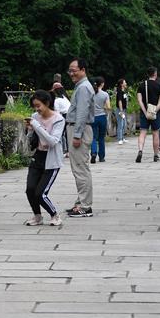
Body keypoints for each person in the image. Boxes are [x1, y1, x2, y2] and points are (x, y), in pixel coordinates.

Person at [24, 90, 65, 226]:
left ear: (47, 103)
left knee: (40, 193)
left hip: (52, 159)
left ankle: (55, 215)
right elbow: (32, 138)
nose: (36, 109)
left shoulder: (59, 119)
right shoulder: (35, 116)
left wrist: (36, 125)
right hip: (38, 156)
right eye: (34, 106)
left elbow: (52, 141)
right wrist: (30, 130)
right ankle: (37, 217)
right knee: (30, 189)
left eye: (38, 105)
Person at [64, 58, 95, 217]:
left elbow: (82, 113)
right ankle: (80, 202)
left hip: (79, 130)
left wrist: (77, 135)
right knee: (79, 168)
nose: (71, 73)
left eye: (74, 70)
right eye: (69, 71)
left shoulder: (83, 88)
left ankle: (85, 206)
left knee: (80, 168)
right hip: (78, 129)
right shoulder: (82, 86)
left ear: (83, 70)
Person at [135, 66, 160, 163]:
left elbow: (139, 100)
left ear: (147, 74)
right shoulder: (159, 85)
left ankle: (140, 150)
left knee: (143, 132)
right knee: (155, 133)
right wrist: (155, 110)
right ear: (155, 74)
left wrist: (145, 111)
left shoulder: (141, 85)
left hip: (144, 113)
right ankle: (156, 155)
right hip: (156, 113)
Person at [90, 77, 110, 164]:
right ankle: (101, 157)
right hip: (102, 117)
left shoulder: (91, 93)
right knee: (101, 137)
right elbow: (108, 107)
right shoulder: (105, 94)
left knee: (93, 137)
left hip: (93, 117)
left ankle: (93, 153)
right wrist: (103, 107)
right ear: (102, 84)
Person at [52, 82, 70, 155]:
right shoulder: (65, 98)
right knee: (68, 134)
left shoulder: (57, 100)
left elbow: (57, 112)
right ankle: (68, 151)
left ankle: (60, 150)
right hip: (70, 116)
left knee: (60, 134)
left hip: (63, 116)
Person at [115, 78, 128, 145]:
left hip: (124, 110)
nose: (126, 83)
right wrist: (121, 110)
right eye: (124, 82)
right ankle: (120, 139)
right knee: (120, 124)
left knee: (124, 124)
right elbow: (119, 101)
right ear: (121, 84)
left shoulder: (123, 91)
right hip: (120, 110)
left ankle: (122, 138)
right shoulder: (120, 91)